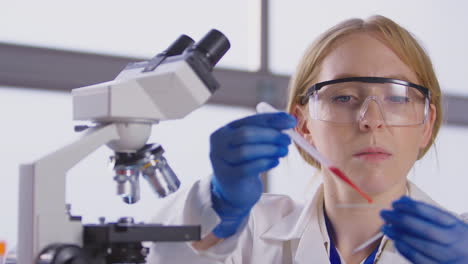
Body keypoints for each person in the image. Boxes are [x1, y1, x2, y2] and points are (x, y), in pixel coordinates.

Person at [147, 15, 468, 264]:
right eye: (343, 97)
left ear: (427, 124)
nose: (371, 120)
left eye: (398, 98)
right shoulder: (252, 235)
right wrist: (213, 208)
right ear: (302, 126)